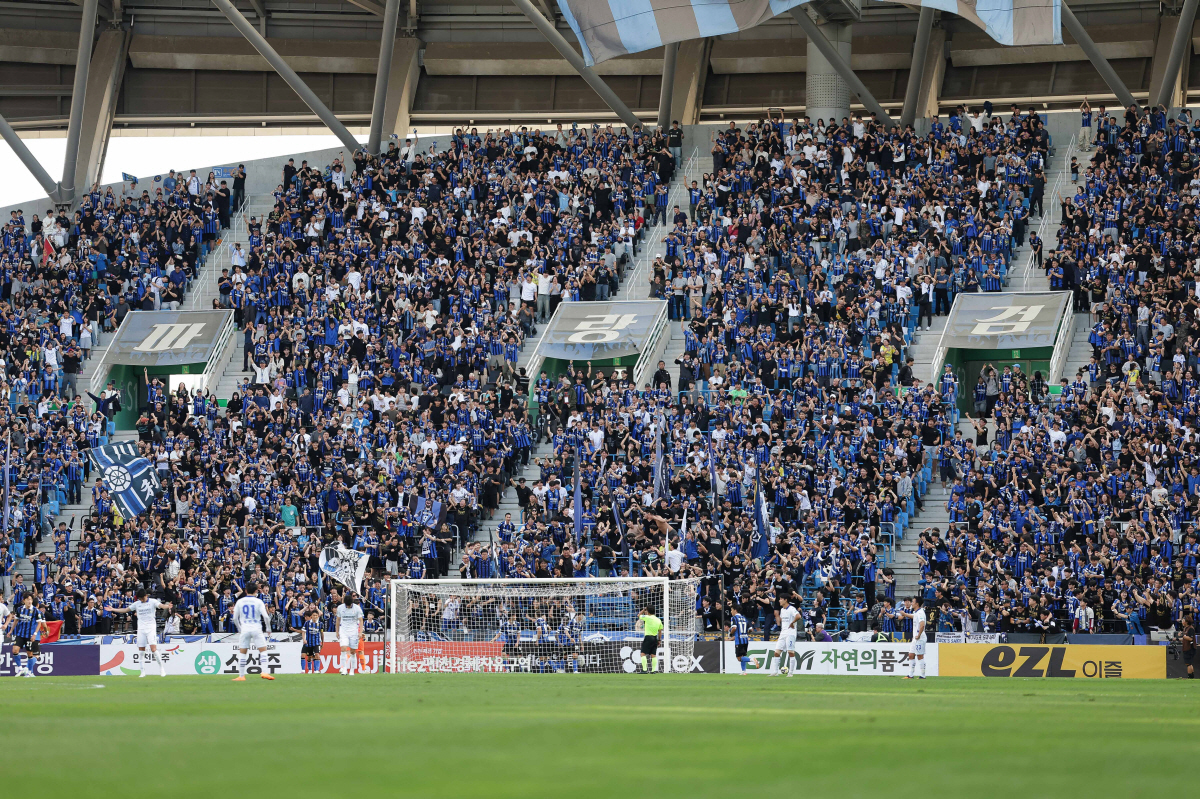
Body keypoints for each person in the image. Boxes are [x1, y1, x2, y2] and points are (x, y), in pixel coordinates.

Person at [111, 588, 170, 677]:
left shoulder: (153, 602)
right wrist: (113, 609)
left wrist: (167, 606)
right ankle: (142, 672)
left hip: (150, 627)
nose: (141, 600)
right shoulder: (137, 604)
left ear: (146, 596)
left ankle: (162, 669)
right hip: (141, 629)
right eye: (139, 599)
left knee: (153, 649)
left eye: (142, 598)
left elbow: (161, 605)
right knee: (141, 651)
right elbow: (126, 609)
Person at [231, 580, 275, 681]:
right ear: (256, 590)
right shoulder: (258, 601)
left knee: (242, 652)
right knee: (263, 651)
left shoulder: (240, 601)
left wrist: (239, 628)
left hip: (245, 629)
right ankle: (264, 672)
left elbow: (234, 618)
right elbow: (266, 617)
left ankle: (241, 676)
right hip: (256, 628)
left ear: (246, 591)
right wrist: (268, 628)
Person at [9, 593, 45, 678]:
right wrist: (11, 630)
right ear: (24, 600)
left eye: (31, 600)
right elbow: (16, 621)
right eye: (28, 599)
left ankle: (29, 672)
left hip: (30, 635)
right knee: (15, 650)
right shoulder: (19, 609)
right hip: (20, 634)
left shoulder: (35, 611)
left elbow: (39, 623)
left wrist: (35, 634)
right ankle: (20, 669)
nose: (29, 601)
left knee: (29, 654)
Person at [769, 595, 800, 676]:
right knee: (776, 652)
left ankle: (791, 673)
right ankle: (775, 672)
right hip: (783, 633)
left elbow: (798, 616)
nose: (779, 601)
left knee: (790, 652)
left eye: (781, 599)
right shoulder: (782, 610)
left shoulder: (791, 609)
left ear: (785, 600)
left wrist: (792, 622)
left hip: (790, 633)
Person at [335, 592, 365, 676]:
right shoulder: (340, 608)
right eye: (346, 605)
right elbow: (338, 620)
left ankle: (352, 670)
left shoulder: (357, 608)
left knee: (353, 651)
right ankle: (344, 669)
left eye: (349, 605)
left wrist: (360, 632)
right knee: (343, 649)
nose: (348, 607)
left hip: (354, 631)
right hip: (343, 630)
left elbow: (361, 620)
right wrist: (337, 631)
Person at [635, 605, 663, 673]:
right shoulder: (658, 620)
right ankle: (653, 670)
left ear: (648, 611)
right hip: (655, 638)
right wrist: (659, 640)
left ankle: (644, 670)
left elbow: (638, 615)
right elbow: (660, 631)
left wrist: (643, 610)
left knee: (643, 653)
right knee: (653, 655)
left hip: (648, 637)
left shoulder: (647, 617)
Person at [904, 597, 927, 679]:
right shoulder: (917, 612)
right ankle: (910, 674)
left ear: (917, 604)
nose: (911, 603)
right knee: (911, 655)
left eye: (912, 602)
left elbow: (922, 624)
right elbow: (913, 616)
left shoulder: (920, 613)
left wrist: (919, 635)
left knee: (920, 656)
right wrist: (905, 614)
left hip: (919, 637)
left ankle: (923, 675)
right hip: (915, 638)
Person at [728, 607, 751, 674]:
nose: (731, 612)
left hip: (739, 640)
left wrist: (730, 634)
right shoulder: (744, 618)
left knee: (739, 658)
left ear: (735, 610)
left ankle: (752, 660)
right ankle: (744, 671)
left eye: (731, 610)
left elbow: (734, 628)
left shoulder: (734, 618)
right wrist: (745, 632)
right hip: (745, 640)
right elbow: (751, 629)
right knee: (742, 656)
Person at [301, 609, 323, 675]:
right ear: (311, 616)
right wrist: (304, 639)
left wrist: (323, 642)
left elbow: (322, 633)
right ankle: (304, 670)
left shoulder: (320, 624)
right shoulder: (307, 623)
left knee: (317, 655)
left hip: (316, 642)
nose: (315, 616)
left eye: (316, 615)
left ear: (318, 616)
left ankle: (316, 670)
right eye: (314, 615)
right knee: (305, 655)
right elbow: (303, 631)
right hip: (308, 642)